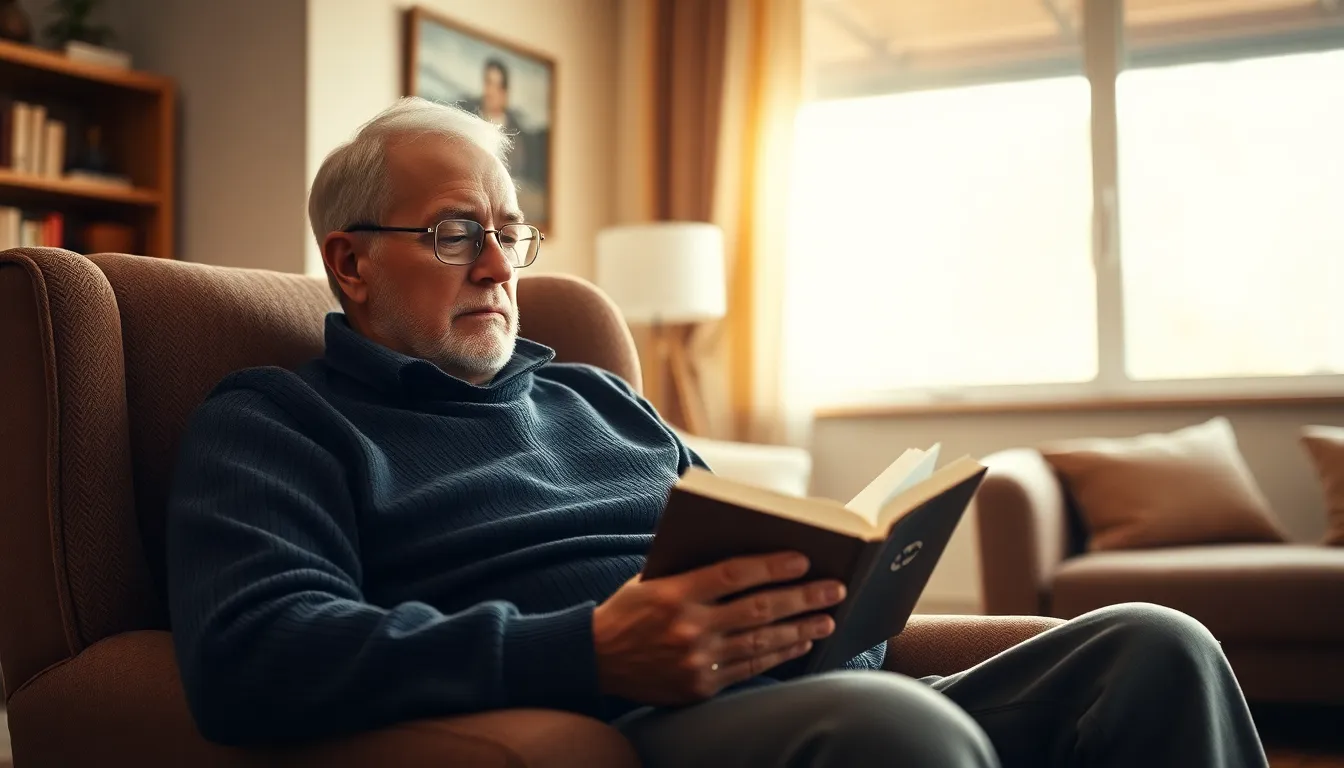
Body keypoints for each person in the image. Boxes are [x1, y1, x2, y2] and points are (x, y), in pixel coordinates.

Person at [164, 96, 1270, 768]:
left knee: (1157, 647)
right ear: (351, 262)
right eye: (456, 234)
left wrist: (838, 602)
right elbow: (252, 652)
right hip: (641, 722)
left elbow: (755, 550)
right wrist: (586, 649)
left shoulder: (598, 398)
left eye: (509, 231)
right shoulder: (279, 422)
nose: (499, 266)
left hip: (821, 695)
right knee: (900, 736)